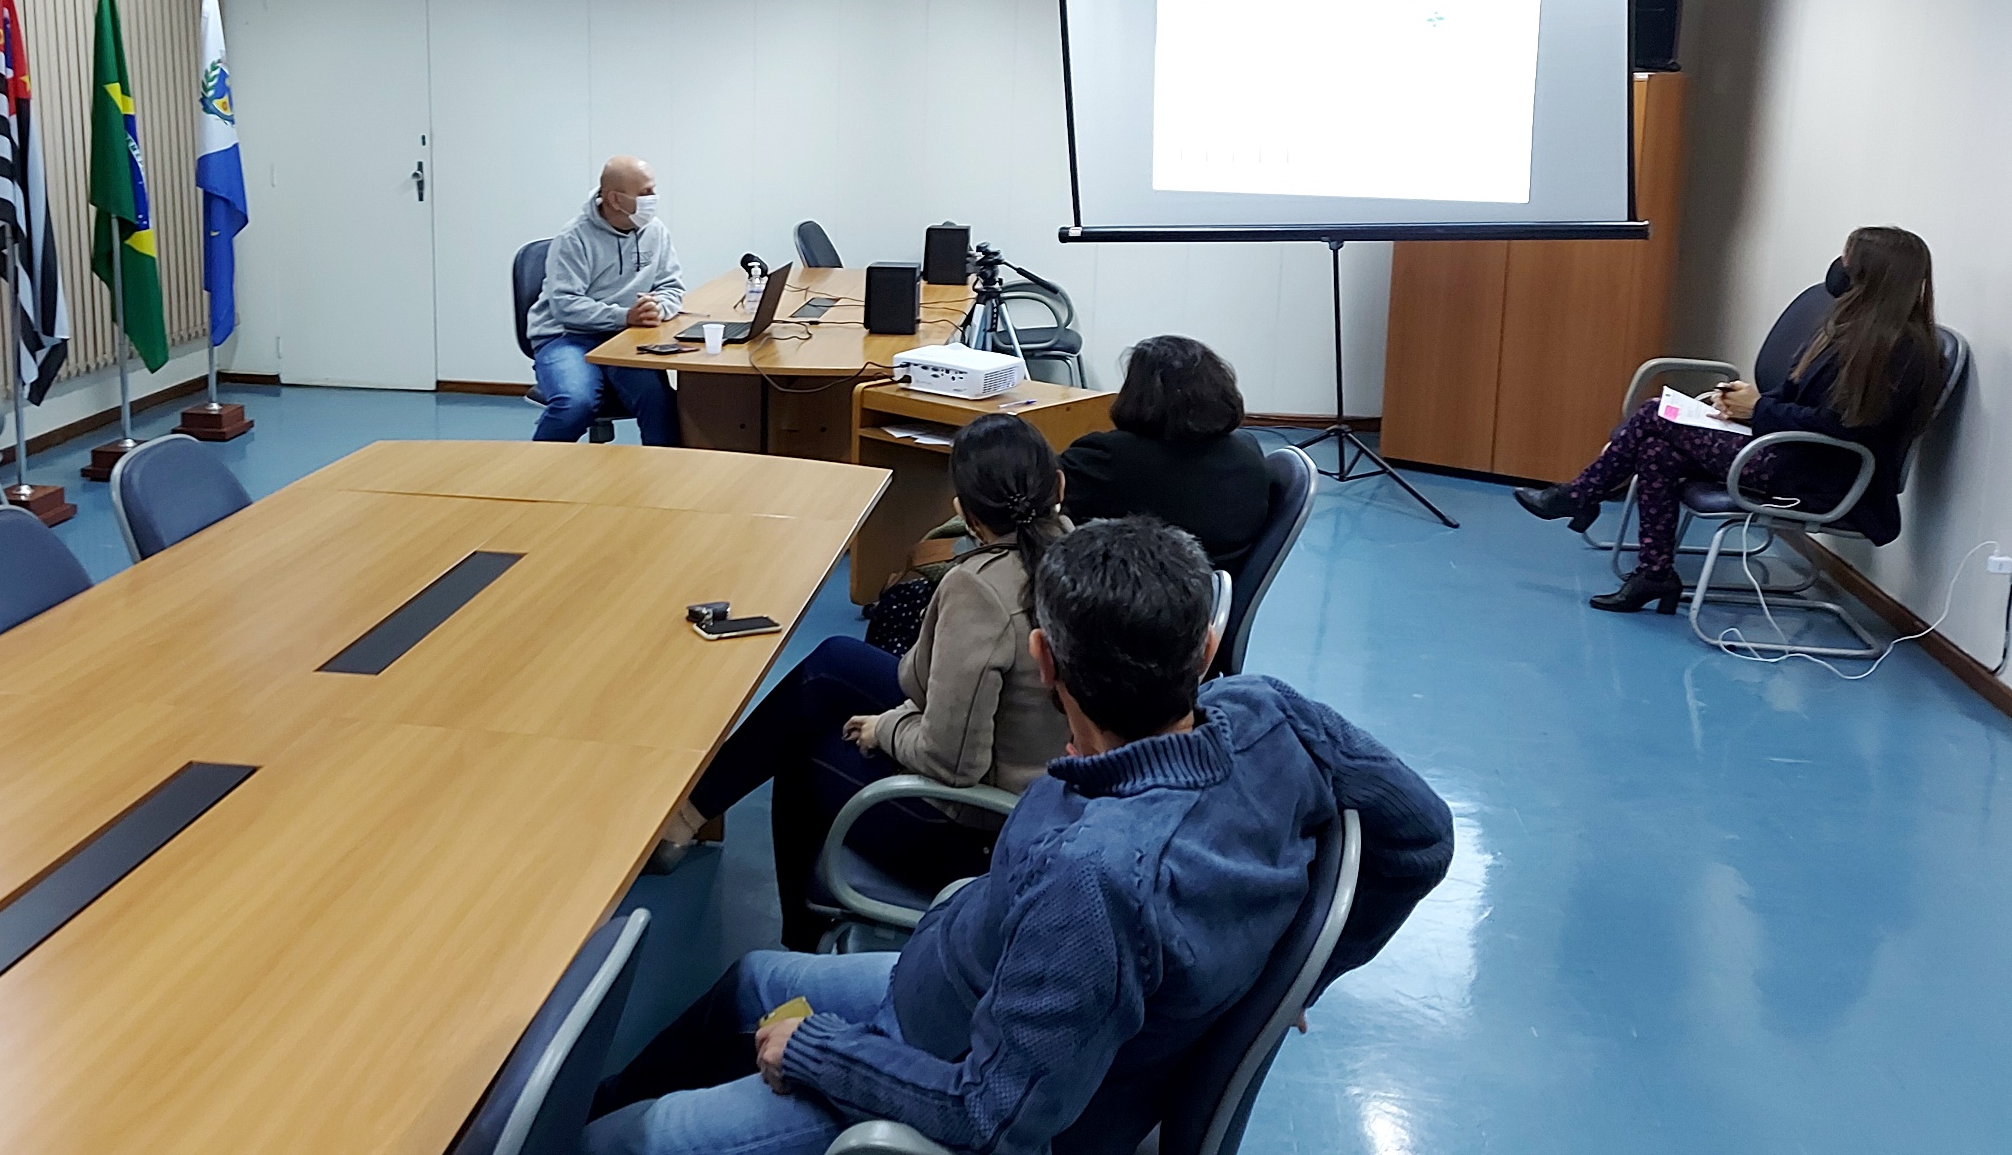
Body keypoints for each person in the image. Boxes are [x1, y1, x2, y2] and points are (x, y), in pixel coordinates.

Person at [586, 518, 1454, 1155]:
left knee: (625, 1141)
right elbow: (1422, 834)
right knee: (748, 983)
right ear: (1206, 647)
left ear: (1044, 661)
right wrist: (1299, 972)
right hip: (961, 981)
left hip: (937, 1066)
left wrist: (820, 1052)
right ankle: (596, 1099)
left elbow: (990, 1115)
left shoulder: (1096, 880)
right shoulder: (1269, 712)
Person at [656, 414, 1072, 950]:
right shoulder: (1075, 551)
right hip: (1049, 796)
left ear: (963, 512)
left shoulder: (980, 590)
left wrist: (887, 729)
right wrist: (900, 715)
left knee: (803, 750)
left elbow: (954, 763)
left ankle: (799, 945)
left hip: (981, 829)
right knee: (833, 661)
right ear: (1059, 487)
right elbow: (939, 690)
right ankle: (690, 814)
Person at [1516, 225, 1945, 614]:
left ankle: (1579, 495)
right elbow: (1796, 395)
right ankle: (1654, 573)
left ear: (1868, 275)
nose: (1839, 267)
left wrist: (1758, 410)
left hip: (1817, 473)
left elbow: (1845, 428)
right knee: (1656, 450)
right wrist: (1743, 403)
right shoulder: (1848, 328)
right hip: (1787, 450)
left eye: (1847, 260)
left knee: (1653, 414)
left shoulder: (1901, 351)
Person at [1060, 334, 1270, 564]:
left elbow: (1042, 488)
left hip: (1126, 580)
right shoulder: (1248, 452)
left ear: (1137, 394)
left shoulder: (1106, 457)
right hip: (1218, 580)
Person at [526, 156, 686, 446]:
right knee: (575, 404)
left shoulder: (656, 231)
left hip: (625, 338)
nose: (654, 198)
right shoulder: (574, 237)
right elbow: (564, 305)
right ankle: (533, 470)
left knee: (659, 402)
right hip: (566, 337)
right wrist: (624, 316)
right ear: (615, 200)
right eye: (646, 192)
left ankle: (665, 473)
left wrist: (657, 308)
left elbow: (671, 286)